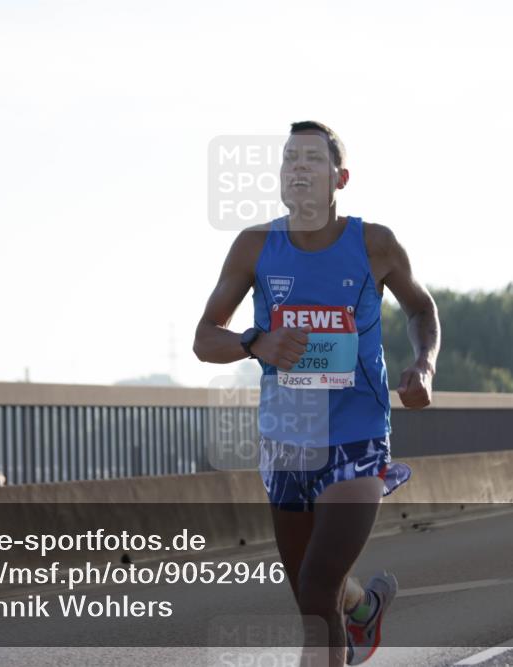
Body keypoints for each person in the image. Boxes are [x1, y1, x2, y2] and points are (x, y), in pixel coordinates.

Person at [194, 121, 440, 666]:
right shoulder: (255, 246)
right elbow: (205, 338)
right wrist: (257, 342)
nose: (297, 168)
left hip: (358, 436)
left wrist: (423, 365)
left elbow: (421, 308)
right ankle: (363, 609)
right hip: (288, 440)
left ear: (340, 178)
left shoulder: (375, 244)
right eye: (288, 160)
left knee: (313, 590)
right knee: (316, 592)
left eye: (310, 160)